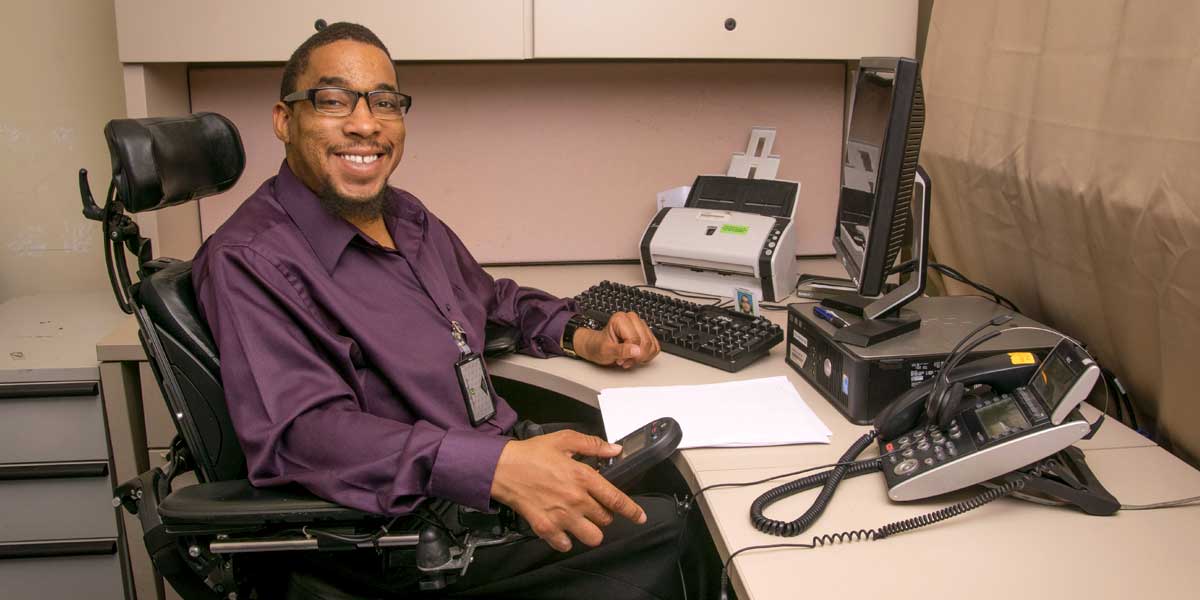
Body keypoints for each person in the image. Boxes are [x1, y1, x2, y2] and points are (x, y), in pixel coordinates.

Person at [192, 21, 690, 600]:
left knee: (667, 467)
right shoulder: (249, 260)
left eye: (384, 102)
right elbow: (303, 433)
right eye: (333, 101)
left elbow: (488, 300)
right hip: (417, 531)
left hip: (487, 465)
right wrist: (494, 467)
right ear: (285, 120)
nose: (365, 123)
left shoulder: (403, 215)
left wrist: (584, 336)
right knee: (675, 528)